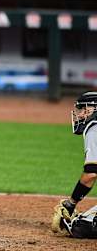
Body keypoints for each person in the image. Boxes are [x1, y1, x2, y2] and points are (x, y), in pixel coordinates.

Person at [52, 91, 97, 238]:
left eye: (83, 109)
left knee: (80, 226)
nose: (80, 114)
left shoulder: (94, 126)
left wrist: (71, 203)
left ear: (93, 109)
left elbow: (91, 173)